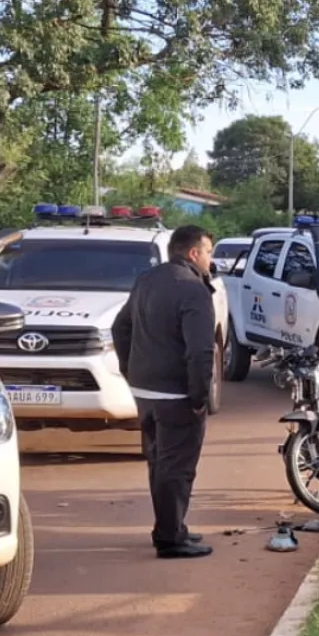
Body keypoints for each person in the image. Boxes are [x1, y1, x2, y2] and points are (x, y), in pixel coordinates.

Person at [110, 224, 218, 559]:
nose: (211, 260)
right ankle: (171, 538)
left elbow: (120, 327)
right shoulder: (194, 290)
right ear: (193, 253)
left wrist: (131, 370)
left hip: (145, 390)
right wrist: (199, 396)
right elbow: (200, 351)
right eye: (209, 252)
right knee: (177, 468)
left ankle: (171, 528)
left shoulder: (148, 279)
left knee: (160, 463)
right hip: (176, 394)